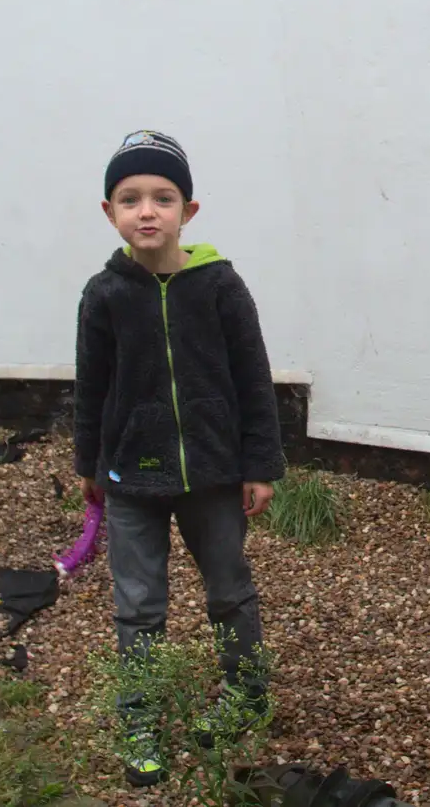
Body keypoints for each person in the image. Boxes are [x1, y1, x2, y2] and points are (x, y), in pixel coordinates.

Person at [73, 129, 284, 786]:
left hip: (214, 475)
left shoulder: (219, 286)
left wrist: (260, 463)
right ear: (109, 212)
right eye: (130, 198)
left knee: (229, 591)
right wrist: (89, 465)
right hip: (132, 479)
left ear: (188, 212)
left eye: (163, 197)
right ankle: (140, 716)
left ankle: (244, 691)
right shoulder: (104, 295)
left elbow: (253, 377)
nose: (146, 210)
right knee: (138, 606)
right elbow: (91, 387)